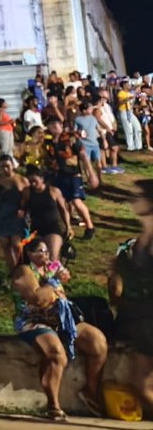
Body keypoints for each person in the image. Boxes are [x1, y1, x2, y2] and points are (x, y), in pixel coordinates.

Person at [11, 238, 108, 420]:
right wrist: (54, 282)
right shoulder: (23, 271)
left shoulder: (50, 269)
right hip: (34, 321)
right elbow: (38, 299)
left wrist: (56, 283)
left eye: (47, 251)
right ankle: (53, 405)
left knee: (98, 342)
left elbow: (58, 296)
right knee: (56, 353)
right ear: (29, 253)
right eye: (40, 251)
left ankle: (90, 390)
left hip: (61, 319)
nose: (45, 255)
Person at [108, 178, 153, 417]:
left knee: (143, 385)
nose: (132, 201)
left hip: (149, 319)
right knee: (141, 385)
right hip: (141, 320)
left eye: (138, 197)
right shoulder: (141, 238)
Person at [20, 166, 73, 264]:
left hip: (52, 227)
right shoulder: (27, 192)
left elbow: (64, 210)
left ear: (42, 179)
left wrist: (68, 226)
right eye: (30, 181)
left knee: (53, 257)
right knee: (37, 258)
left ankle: (53, 276)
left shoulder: (54, 191)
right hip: (36, 228)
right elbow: (23, 208)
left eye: (35, 181)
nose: (33, 184)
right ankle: (41, 276)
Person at [0, 156, 28, 269]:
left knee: (17, 245)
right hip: (1, 214)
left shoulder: (21, 180)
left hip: (16, 215)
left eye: (7, 166)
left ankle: (21, 267)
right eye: (2, 167)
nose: (5, 169)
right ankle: (12, 270)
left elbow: (27, 197)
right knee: (5, 245)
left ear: (13, 166)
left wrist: (24, 209)